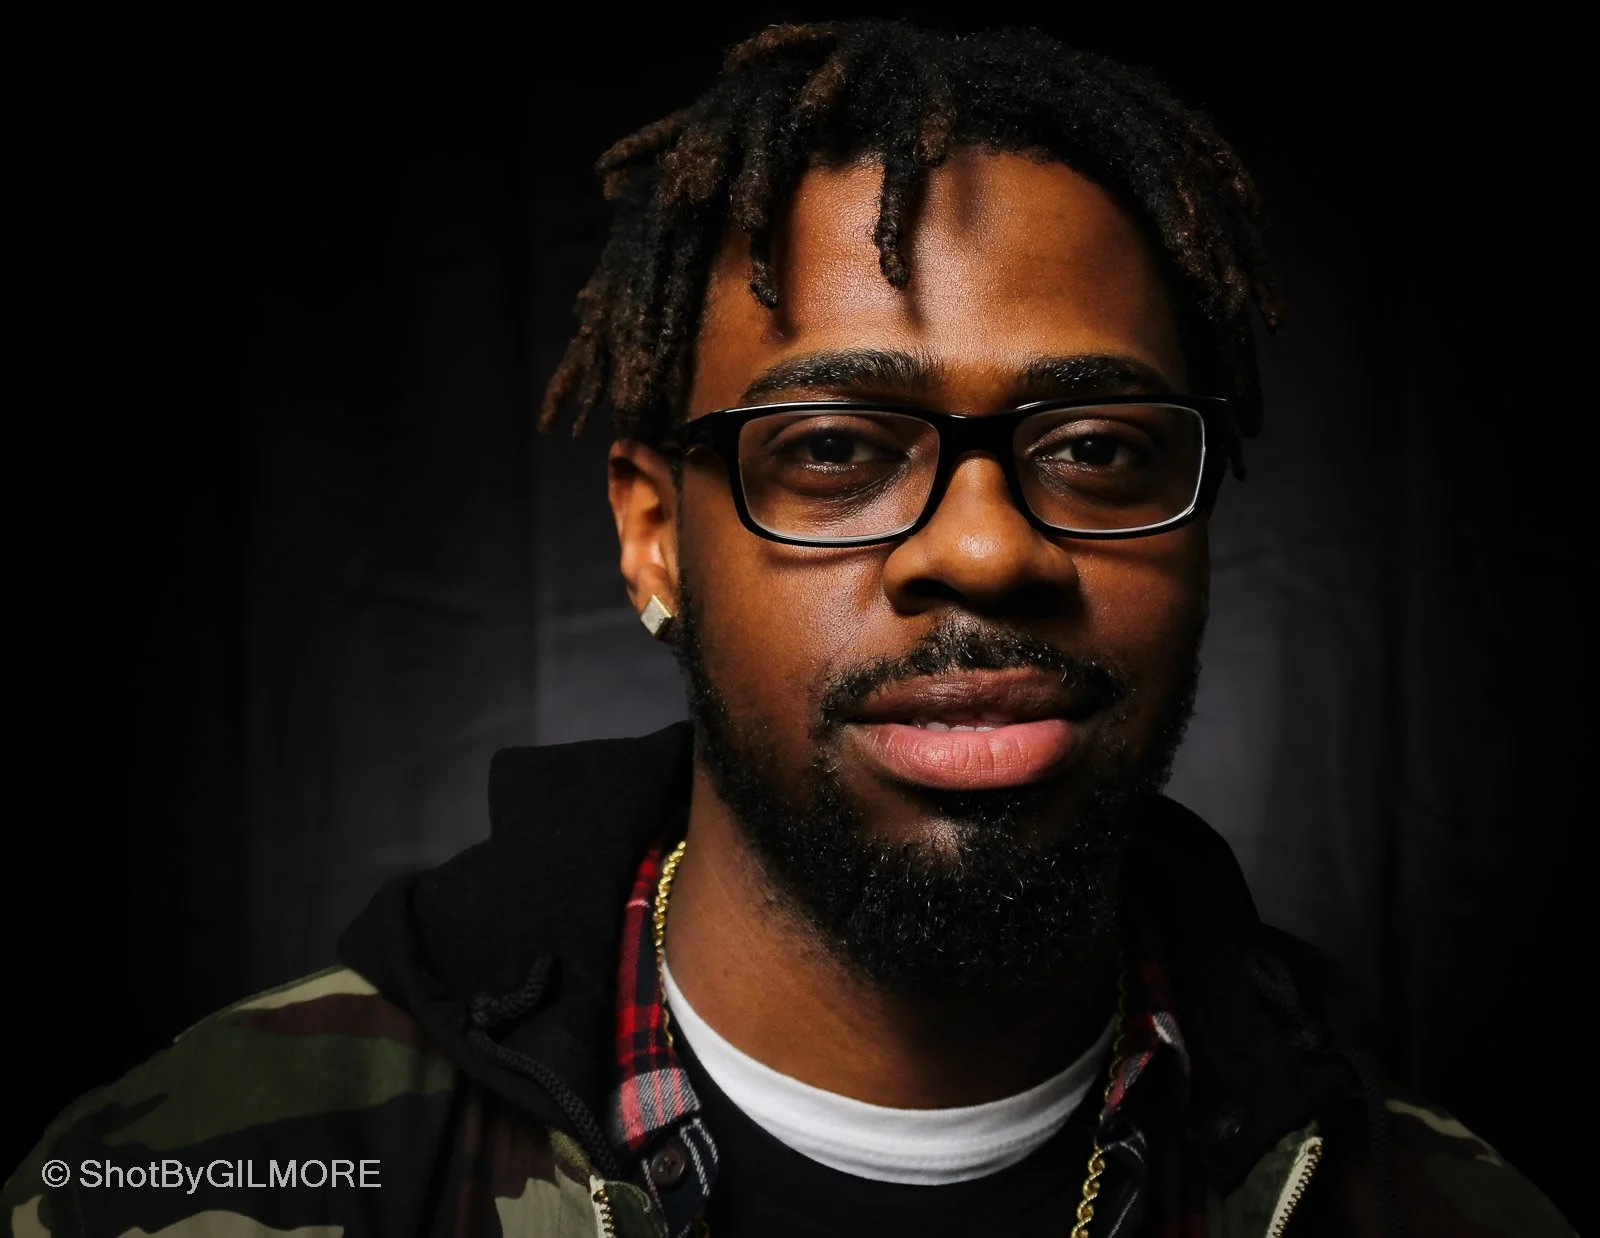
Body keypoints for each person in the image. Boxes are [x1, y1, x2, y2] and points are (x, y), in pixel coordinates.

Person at [3, 19, 1572, 1238]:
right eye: (831, 448)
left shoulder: (1444, 1214)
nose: (982, 545)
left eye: (1096, 448)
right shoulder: (206, 1178)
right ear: (651, 535)